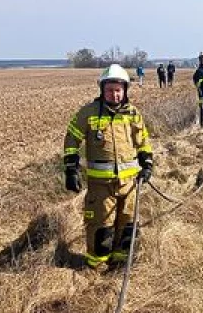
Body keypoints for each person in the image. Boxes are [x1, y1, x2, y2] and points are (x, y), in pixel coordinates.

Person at [62, 64, 154, 269]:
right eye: (110, 90)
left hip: (130, 184)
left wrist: (147, 163)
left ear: (125, 90)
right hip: (101, 186)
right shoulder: (88, 113)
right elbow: (71, 140)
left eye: (118, 90)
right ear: (102, 90)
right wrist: (70, 169)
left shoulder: (132, 113)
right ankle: (96, 269)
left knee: (128, 224)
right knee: (101, 228)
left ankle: (121, 265)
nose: (115, 94)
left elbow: (143, 141)